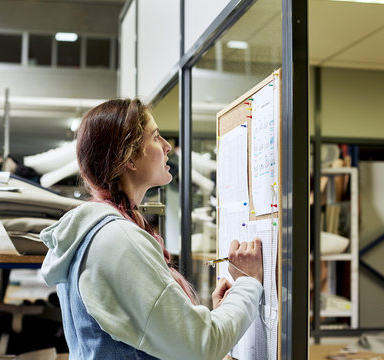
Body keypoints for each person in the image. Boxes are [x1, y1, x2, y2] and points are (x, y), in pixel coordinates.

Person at [40, 98, 263, 360]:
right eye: (156, 137)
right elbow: (201, 345)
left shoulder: (99, 233)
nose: (168, 146)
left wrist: (219, 316)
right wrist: (248, 283)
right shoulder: (117, 240)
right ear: (130, 159)